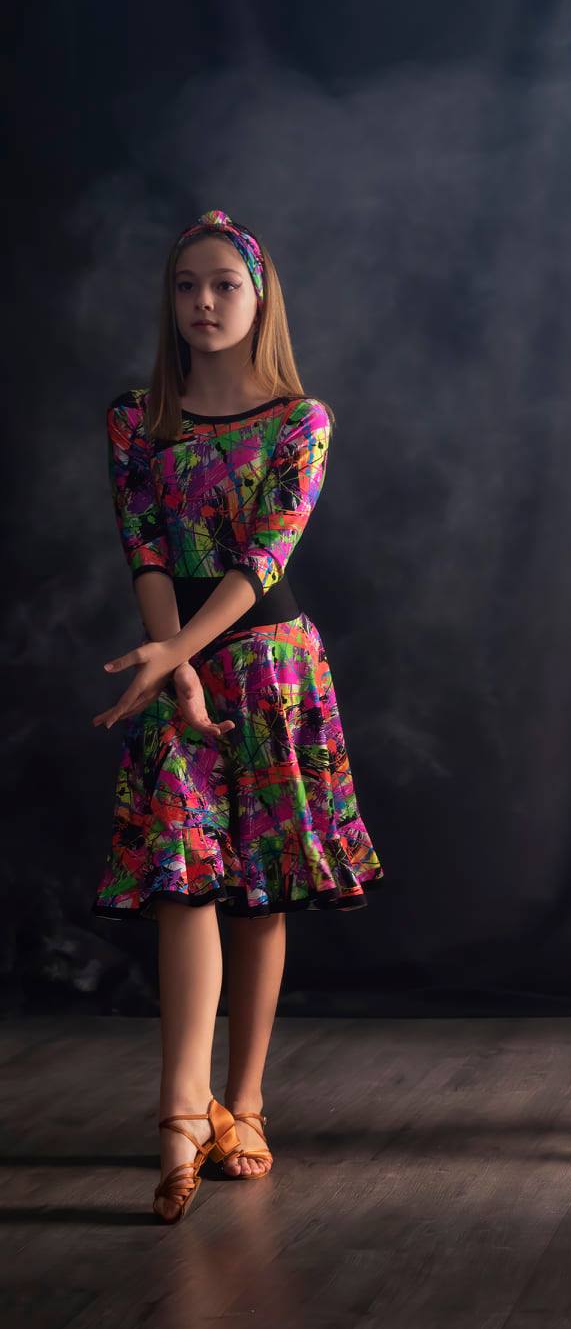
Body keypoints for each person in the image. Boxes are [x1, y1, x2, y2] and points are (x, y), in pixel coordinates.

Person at [94, 209, 382, 1223]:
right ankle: (180, 1112)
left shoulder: (302, 420)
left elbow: (265, 559)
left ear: (260, 299)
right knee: (184, 880)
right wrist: (172, 667)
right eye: (187, 286)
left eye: (224, 285)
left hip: (268, 663)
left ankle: (244, 1104)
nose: (204, 303)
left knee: (259, 892)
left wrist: (179, 653)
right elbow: (146, 549)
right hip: (176, 665)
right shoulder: (137, 418)